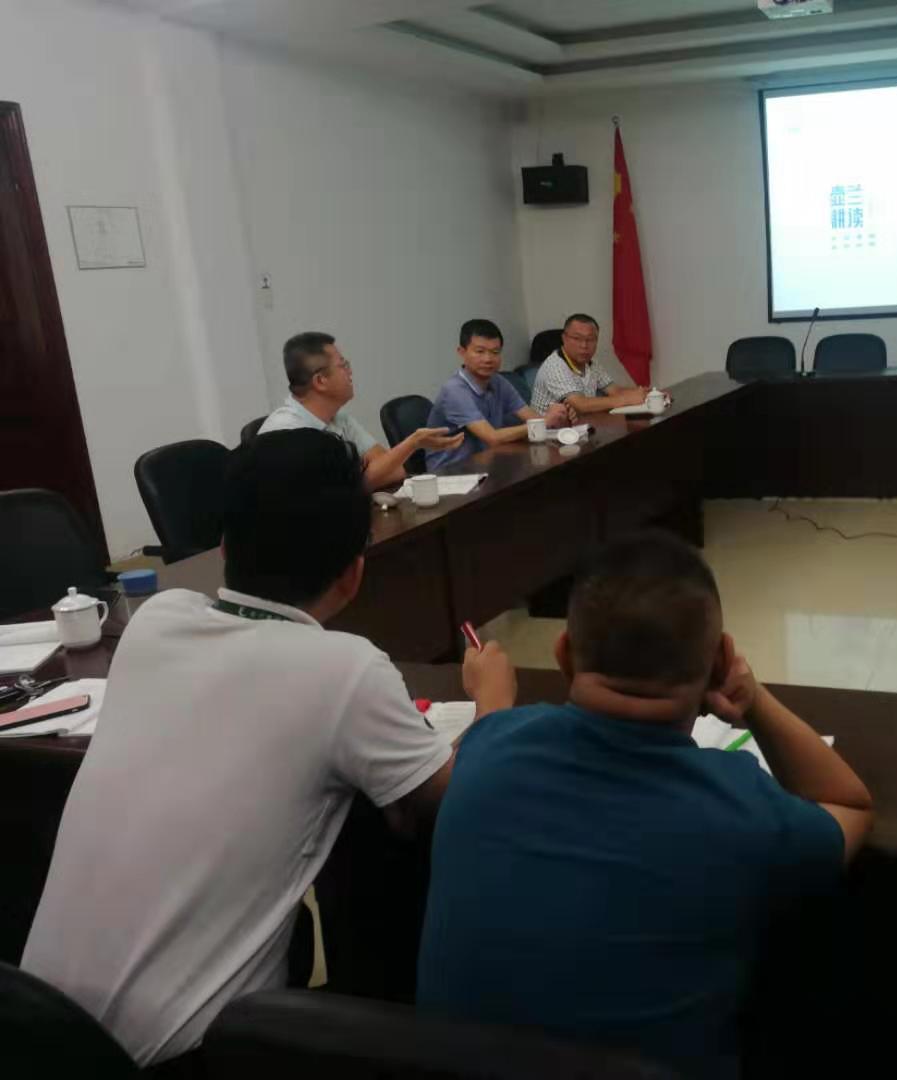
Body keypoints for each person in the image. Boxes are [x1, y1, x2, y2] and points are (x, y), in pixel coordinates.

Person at [22, 429, 516, 1067]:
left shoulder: (155, 621)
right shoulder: (344, 669)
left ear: (225, 548)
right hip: (179, 1056)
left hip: (33, 1031)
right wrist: (492, 703)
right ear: (354, 572)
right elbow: (457, 800)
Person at [418, 532, 873, 1079]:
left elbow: (490, 731)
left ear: (563, 654)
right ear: (720, 662)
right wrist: (754, 701)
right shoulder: (740, 810)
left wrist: (491, 700)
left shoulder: (487, 750)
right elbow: (848, 802)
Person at [258, 331, 462, 491]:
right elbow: (332, 495)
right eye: (343, 366)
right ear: (320, 381)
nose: (350, 372)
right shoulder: (286, 433)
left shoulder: (339, 419)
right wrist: (412, 443)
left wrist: (360, 479)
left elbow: (395, 471)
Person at [424, 319, 575, 471]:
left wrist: (558, 418)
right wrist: (543, 422)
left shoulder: (498, 381)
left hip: (485, 463)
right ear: (462, 352)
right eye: (480, 351)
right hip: (450, 472)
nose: (488, 359)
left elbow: (533, 419)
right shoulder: (454, 391)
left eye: (495, 352)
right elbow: (492, 437)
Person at [530, 313, 650, 415]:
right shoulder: (555, 365)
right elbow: (580, 405)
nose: (584, 345)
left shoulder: (591, 363)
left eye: (590, 339)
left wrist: (647, 394)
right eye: (577, 338)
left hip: (580, 426)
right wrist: (626, 400)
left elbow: (615, 391)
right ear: (564, 338)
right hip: (549, 432)